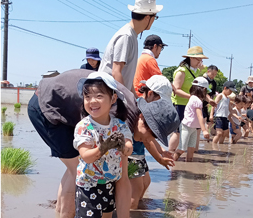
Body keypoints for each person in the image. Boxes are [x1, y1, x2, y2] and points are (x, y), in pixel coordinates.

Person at [27, 68, 179, 218]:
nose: (148, 141)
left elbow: (122, 177)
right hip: (46, 104)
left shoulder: (126, 119)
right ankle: (65, 214)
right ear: (143, 120)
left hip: (57, 100)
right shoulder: (117, 118)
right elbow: (115, 175)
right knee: (77, 171)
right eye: (151, 136)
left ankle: (61, 211)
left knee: (73, 169)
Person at [74, 72, 133, 218]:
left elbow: (129, 148)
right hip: (88, 186)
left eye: (99, 96)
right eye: (87, 97)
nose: (92, 101)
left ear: (113, 98)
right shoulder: (84, 126)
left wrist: (123, 148)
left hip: (109, 185)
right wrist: (103, 148)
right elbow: (86, 156)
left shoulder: (120, 125)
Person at [98, 0, 163, 98]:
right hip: (109, 96)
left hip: (113, 95)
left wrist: (135, 101)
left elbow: (126, 77)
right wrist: (126, 100)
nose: (154, 20)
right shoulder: (126, 36)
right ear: (147, 17)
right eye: (155, 17)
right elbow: (116, 72)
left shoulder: (132, 36)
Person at [128, 75, 174, 209]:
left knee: (145, 182)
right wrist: (159, 158)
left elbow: (151, 137)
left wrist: (162, 150)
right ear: (149, 93)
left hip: (138, 153)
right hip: (132, 154)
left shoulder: (148, 108)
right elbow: (147, 140)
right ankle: (130, 209)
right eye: (159, 101)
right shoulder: (141, 109)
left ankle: (137, 209)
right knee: (135, 189)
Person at [168, 46, 212, 152]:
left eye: (201, 59)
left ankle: (186, 155)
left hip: (191, 105)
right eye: (198, 59)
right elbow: (176, 90)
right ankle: (170, 154)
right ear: (191, 58)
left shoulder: (196, 71)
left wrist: (209, 100)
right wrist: (192, 98)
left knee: (192, 130)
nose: (200, 62)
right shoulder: (181, 71)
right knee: (178, 131)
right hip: (180, 104)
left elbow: (199, 89)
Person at [173, 77, 210, 162]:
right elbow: (200, 116)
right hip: (187, 126)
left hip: (193, 128)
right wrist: (204, 130)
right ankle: (171, 163)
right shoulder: (197, 100)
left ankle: (188, 164)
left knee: (191, 149)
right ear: (204, 89)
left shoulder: (193, 98)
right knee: (182, 149)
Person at [211, 81, 236, 149]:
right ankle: (213, 147)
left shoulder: (228, 99)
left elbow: (229, 109)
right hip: (218, 116)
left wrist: (234, 115)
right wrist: (211, 115)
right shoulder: (220, 96)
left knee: (224, 134)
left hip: (225, 117)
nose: (231, 92)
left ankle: (220, 147)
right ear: (225, 88)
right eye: (230, 90)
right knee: (219, 133)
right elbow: (213, 105)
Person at [201, 65, 218, 136]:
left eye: (215, 74)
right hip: (201, 102)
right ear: (208, 71)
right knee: (202, 119)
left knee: (210, 121)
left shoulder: (214, 83)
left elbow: (213, 94)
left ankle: (209, 138)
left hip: (209, 104)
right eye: (212, 74)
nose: (213, 76)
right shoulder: (202, 80)